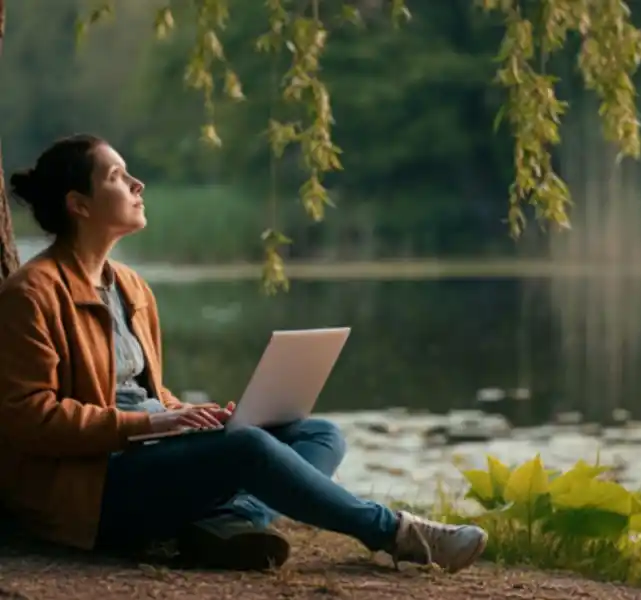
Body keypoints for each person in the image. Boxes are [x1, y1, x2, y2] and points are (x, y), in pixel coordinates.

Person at [0, 134, 487, 572]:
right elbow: (26, 418)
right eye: (116, 176)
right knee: (247, 447)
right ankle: (398, 535)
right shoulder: (33, 294)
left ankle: (223, 524)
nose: (137, 183)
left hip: (147, 455)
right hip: (90, 489)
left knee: (318, 433)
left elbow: (143, 392)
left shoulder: (131, 287)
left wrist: (183, 413)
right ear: (79, 205)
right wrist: (148, 425)